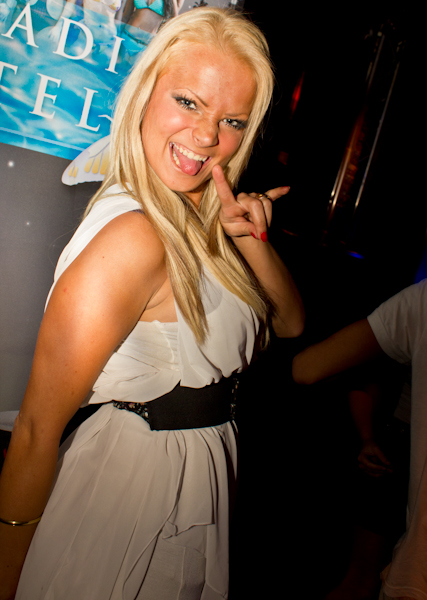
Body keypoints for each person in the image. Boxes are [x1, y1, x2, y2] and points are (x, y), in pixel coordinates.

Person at [0, 7, 305, 600]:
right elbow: (36, 431)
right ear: (144, 94)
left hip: (191, 491)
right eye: (188, 102)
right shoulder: (134, 238)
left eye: (232, 120)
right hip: (128, 505)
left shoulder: (198, 212)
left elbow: (290, 323)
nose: (207, 136)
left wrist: (251, 239)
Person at [292, 279, 427, 600]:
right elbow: (365, 380)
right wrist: (368, 438)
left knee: (364, 581)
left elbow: (310, 368)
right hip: (391, 453)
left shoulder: (418, 300)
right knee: (361, 579)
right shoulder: (410, 304)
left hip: (397, 451)